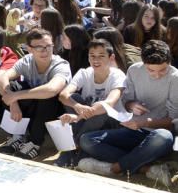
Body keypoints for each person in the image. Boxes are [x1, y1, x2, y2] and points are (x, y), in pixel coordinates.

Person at [78, 40, 178, 183]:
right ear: (143, 63)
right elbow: (126, 100)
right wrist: (131, 105)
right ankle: (146, 168)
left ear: (169, 62)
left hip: (159, 134)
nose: (157, 75)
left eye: (162, 70)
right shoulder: (134, 70)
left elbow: (175, 122)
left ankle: (115, 168)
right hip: (134, 129)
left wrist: (145, 122)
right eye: (151, 70)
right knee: (87, 140)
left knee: (163, 136)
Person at [0, 28, 71, 160]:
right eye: (39, 47)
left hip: (55, 112)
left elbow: (52, 89)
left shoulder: (61, 64)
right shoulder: (27, 60)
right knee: (11, 87)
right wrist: (13, 102)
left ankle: (35, 143)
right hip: (33, 107)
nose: (45, 51)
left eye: (48, 46)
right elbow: (1, 79)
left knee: (47, 96)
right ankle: (17, 135)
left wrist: (16, 96)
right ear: (29, 49)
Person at [54, 39, 127, 167]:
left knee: (103, 107)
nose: (96, 60)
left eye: (101, 56)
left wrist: (77, 117)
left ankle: (72, 146)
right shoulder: (85, 73)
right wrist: (77, 106)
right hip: (87, 122)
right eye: (92, 56)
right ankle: (77, 148)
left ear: (111, 58)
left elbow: (109, 103)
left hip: (112, 121)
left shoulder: (118, 75)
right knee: (74, 98)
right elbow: (63, 95)